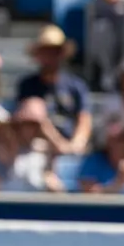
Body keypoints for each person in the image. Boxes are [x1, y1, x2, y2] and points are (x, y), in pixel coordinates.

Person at [15, 24, 92, 155]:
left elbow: (84, 118)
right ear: (38, 55)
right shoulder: (27, 85)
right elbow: (25, 122)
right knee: (34, 108)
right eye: (46, 51)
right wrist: (57, 143)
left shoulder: (76, 85)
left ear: (62, 54)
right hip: (39, 146)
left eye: (54, 51)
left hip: (71, 145)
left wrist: (77, 142)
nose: (50, 57)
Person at [0, 99, 63, 192]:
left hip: (36, 203)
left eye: (34, 125)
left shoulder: (45, 150)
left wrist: (53, 186)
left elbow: (63, 149)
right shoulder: (4, 149)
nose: (28, 129)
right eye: (25, 124)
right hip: (9, 203)